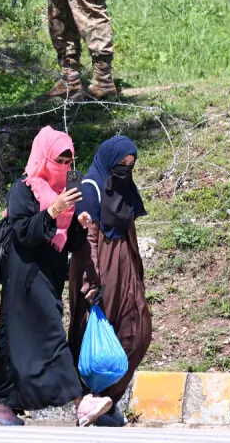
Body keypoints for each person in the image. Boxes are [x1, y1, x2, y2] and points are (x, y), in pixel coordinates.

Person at [0, 126, 113, 427]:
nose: (65, 168)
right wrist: (53, 211)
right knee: (51, 334)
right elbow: (23, 232)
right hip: (25, 273)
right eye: (59, 161)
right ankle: (81, 402)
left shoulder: (62, 194)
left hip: (49, 275)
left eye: (69, 162)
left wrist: (78, 224)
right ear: (43, 158)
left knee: (11, 337)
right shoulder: (25, 189)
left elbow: (68, 244)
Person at [68, 135, 152, 428]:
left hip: (125, 268)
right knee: (90, 335)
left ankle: (106, 400)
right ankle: (90, 400)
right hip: (97, 269)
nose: (125, 171)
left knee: (137, 330)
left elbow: (129, 231)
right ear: (108, 162)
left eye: (130, 166)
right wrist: (90, 282)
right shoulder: (91, 188)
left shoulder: (125, 190)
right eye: (120, 165)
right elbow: (88, 237)